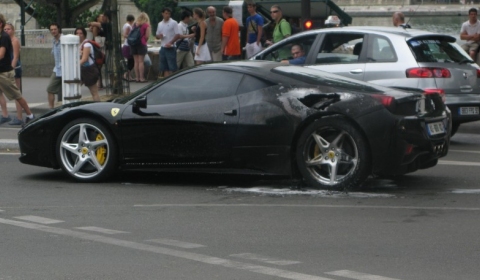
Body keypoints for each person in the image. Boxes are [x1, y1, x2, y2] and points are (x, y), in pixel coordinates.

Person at [0, 14, 35, 125]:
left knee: (16, 95)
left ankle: (30, 115)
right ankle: (5, 115)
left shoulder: (4, 37)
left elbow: (1, 55)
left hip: (4, 73)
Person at [0, 22, 23, 125]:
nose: (6, 31)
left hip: (14, 68)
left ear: (13, 30)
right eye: (5, 29)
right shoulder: (5, 40)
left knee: (16, 93)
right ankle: (5, 115)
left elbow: (15, 57)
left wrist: (11, 69)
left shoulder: (14, 41)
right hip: (5, 69)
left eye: (8, 29)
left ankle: (19, 117)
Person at [75, 27, 100, 102]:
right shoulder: (78, 45)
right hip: (82, 70)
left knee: (94, 92)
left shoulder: (86, 44)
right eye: (77, 33)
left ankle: (98, 108)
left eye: (81, 33)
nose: (79, 35)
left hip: (89, 70)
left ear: (84, 35)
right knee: (75, 88)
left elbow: (84, 59)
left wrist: (74, 66)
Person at [156, 7, 181, 77]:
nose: (167, 15)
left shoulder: (174, 22)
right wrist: (159, 36)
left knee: (172, 67)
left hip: (171, 47)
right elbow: (157, 35)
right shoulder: (160, 24)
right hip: (163, 47)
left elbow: (177, 34)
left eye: (169, 14)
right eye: (166, 13)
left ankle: (173, 80)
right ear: (163, 14)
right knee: (164, 67)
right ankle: (166, 80)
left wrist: (171, 42)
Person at [131, 12, 151, 83]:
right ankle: (142, 78)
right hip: (141, 44)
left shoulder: (134, 24)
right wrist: (144, 40)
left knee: (136, 62)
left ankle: (137, 77)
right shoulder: (146, 25)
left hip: (133, 44)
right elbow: (147, 36)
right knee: (141, 62)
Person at [46, 23, 62, 109]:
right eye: (51, 30)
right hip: (57, 69)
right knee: (50, 89)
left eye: (55, 29)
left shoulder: (63, 39)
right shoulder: (53, 40)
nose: (53, 31)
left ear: (58, 29)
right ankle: (51, 109)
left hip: (65, 69)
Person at [122, 14, 135, 81]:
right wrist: (132, 37)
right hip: (128, 45)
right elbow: (125, 35)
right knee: (132, 61)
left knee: (130, 61)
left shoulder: (125, 25)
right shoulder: (128, 26)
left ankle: (129, 76)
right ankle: (125, 74)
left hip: (126, 44)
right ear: (132, 20)